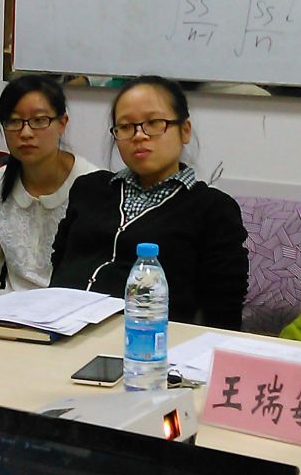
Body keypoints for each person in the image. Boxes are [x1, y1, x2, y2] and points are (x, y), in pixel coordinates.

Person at [50, 76, 248, 329]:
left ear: (185, 130)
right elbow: (59, 265)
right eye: (125, 126)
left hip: (146, 340)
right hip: (56, 329)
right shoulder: (89, 188)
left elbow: (223, 311)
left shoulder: (213, 209)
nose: (139, 135)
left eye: (154, 123)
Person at [0, 75, 100, 296]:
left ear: (62, 123)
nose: (25, 133)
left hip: (72, 310)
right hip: (7, 311)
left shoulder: (94, 187)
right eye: (13, 121)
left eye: (39, 120)